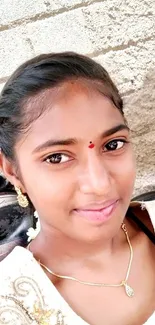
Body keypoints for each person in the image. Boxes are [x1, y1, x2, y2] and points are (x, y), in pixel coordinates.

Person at [0, 52, 154, 325]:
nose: (100, 184)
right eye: (57, 157)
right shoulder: (11, 303)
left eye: (113, 144)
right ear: (12, 170)